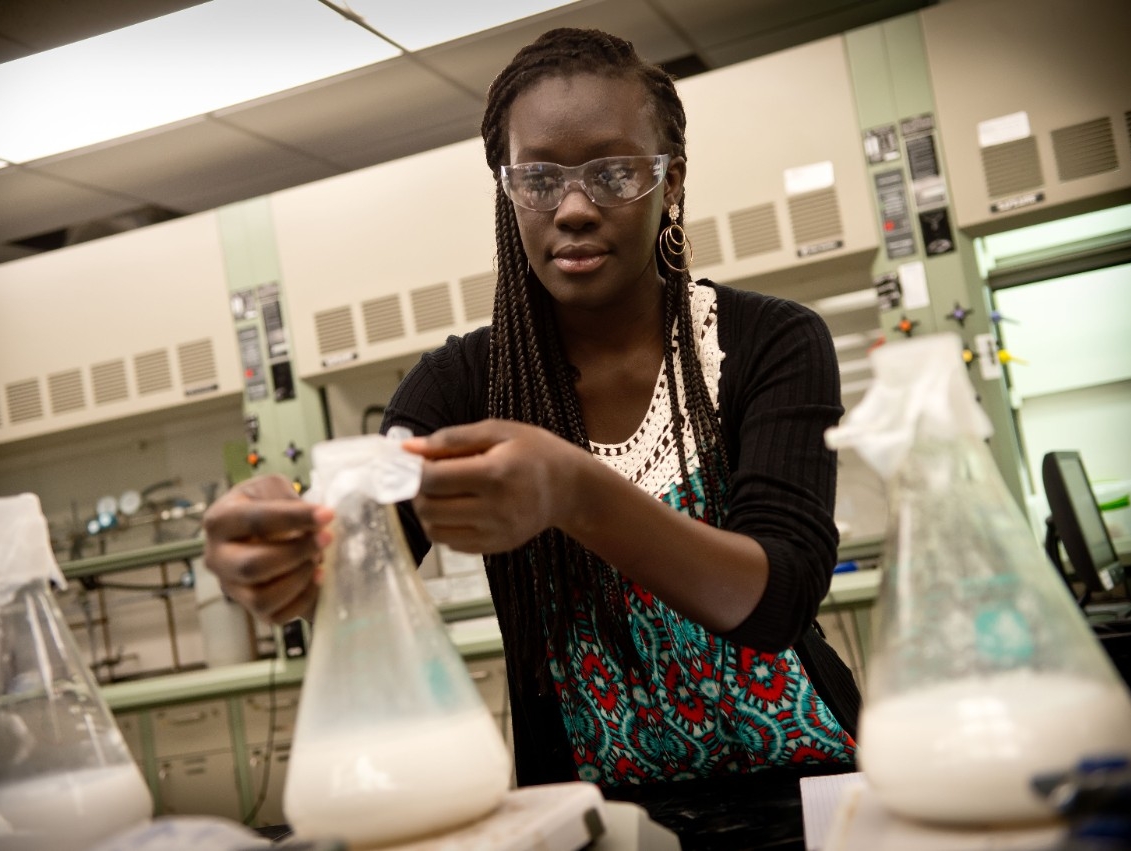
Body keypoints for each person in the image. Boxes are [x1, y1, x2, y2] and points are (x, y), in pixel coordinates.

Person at [202, 27, 860, 851]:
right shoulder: (460, 386)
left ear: (671, 180)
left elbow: (777, 598)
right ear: (508, 190)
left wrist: (573, 490)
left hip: (811, 805)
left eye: (615, 172)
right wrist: (275, 548)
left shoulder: (770, 342)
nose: (575, 207)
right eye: (539, 178)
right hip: (590, 825)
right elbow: (352, 566)